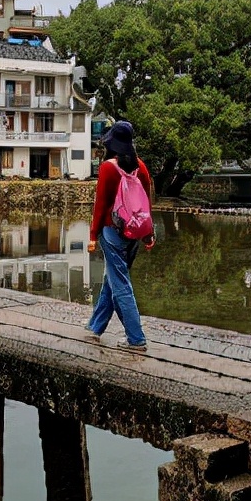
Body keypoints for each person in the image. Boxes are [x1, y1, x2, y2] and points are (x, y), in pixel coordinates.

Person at [84, 120, 154, 350]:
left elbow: (101, 205)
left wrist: (93, 235)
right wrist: (148, 233)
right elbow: (146, 204)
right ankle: (95, 327)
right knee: (112, 280)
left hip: (111, 232)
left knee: (120, 284)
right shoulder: (141, 167)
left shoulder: (107, 168)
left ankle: (136, 339)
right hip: (134, 233)